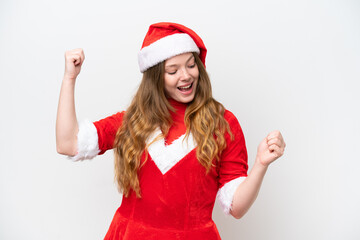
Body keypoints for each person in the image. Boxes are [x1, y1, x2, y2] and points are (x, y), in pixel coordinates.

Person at [56, 22, 286, 240]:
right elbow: (68, 144)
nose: (185, 75)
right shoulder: (134, 120)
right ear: (156, 78)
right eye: (172, 70)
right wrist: (69, 78)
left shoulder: (222, 123)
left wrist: (261, 164)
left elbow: (236, 207)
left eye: (191, 64)